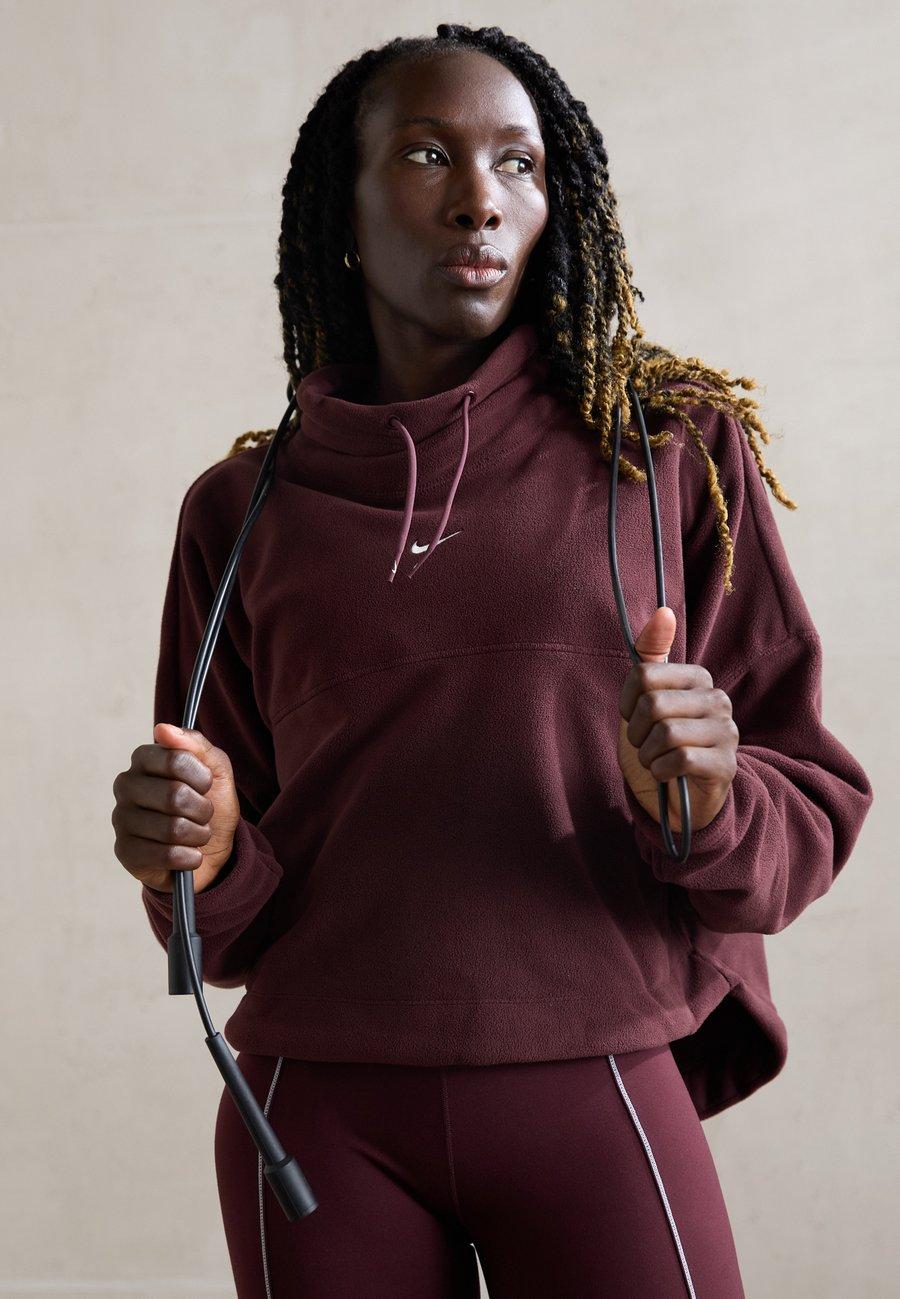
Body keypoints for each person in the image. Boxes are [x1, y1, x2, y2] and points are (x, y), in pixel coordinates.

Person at [111, 23, 874, 1299]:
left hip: (597, 1080)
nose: (481, 200)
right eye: (427, 156)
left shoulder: (667, 450)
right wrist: (200, 850)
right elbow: (220, 924)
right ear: (343, 213)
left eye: (519, 163)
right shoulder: (241, 511)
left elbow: (808, 801)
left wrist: (710, 797)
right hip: (319, 1117)